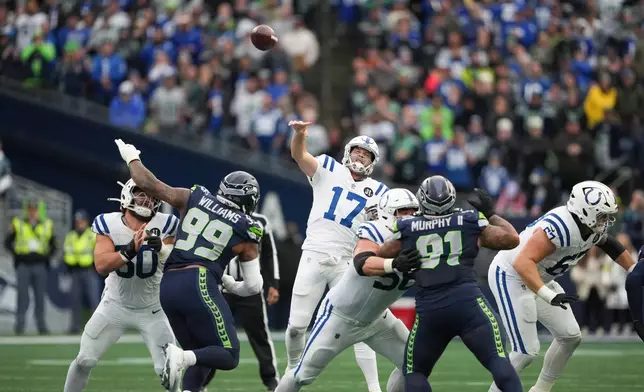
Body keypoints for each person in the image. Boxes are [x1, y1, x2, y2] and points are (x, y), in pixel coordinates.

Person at [114, 139, 265, 392]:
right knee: (228, 355)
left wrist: (131, 156)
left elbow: (148, 183)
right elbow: (253, 286)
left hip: (168, 285)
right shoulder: (247, 228)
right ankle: (180, 358)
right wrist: (228, 283)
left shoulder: (194, 196)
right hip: (199, 283)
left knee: (202, 355)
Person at [488, 180, 636, 392]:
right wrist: (547, 294)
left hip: (539, 278)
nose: (607, 220)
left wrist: (633, 269)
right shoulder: (562, 226)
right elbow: (522, 262)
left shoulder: (589, 226)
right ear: (586, 212)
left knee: (570, 336)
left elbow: (610, 244)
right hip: (511, 275)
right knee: (525, 351)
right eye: (602, 215)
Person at [378, 177, 523, 392]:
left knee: (415, 371)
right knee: (497, 360)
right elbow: (512, 238)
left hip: (431, 310)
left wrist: (396, 262)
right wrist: (492, 214)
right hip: (468, 304)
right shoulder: (469, 220)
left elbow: (380, 256)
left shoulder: (407, 227)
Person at [277, 189, 421, 392]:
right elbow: (362, 263)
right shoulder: (376, 230)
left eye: (413, 211)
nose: (410, 217)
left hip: (377, 318)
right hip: (341, 317)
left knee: (416, 365)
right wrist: (393, 263)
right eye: (403, 211)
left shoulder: (423, 240)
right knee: (301, 375)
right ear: (388, 213)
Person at [286, 121, 388, 392]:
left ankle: (374, 388)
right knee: (297, 326)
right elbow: (299, 155)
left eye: (366, 154)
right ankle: (291, 371)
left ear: (372, 161)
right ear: (347, 152)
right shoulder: (328, 168)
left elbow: (388, 228)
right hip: (315, 253)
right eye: (357, 151)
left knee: (362, 323)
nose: (360, 156)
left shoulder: (380, 192)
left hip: (348, 262)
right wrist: (299, 135)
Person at [63, 179, 178, 392]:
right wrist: (128, 251)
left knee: (170, 372)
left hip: (153, 308)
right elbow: (101, 265)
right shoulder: (108, 223)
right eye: (140, 193)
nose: (147, 199)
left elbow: (174, 263)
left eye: (151, 195)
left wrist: (162, 248)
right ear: (126, 196)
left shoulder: (166, 224)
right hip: (115, 305)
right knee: (84, 360)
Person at [221, 212, 281, 391]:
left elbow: (270, 254)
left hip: (251, 288)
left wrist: (273, 284)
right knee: (212, 335)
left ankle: (271, 380)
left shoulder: (260, 221)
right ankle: (200, 381)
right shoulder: (217, 215)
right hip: (222, 287)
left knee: (259, 336)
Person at [4, 199, 55, 335]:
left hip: (39, 265)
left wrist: (46, 257)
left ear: (38, 211)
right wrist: (17, 255)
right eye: (31, 209)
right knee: (22, 296)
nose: (32, 212)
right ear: (28, 210)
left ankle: (41, 326)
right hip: (24, 265)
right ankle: (19, 326)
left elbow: (53, 245)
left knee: (39, 297)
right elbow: (7, 242)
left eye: (35, 209)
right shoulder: (19, 224)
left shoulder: (46, 224)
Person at [63, 209, 99, 334]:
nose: (79, 223)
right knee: (75, 300)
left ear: (86, 221)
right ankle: (75, 326)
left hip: (89, 270)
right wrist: (71, 263)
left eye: (82, 221)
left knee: (93, 300)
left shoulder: (92, 235)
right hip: (75, 271)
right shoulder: (71, 236)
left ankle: (95, 328)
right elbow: (66, 252)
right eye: (77, 221)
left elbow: (99, 252)